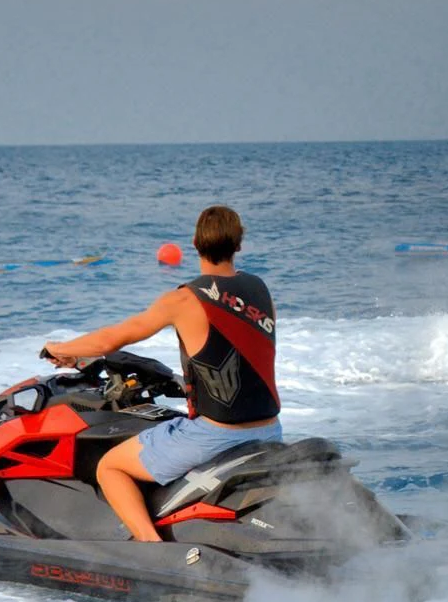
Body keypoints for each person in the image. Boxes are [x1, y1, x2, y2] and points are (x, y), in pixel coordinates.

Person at [40, 206, 280, 542]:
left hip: (216, 435)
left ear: (195, 244)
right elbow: (238, 353)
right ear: (238, 245)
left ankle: (150, 549)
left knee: (110, 467)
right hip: (270, 430)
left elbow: (112, 338)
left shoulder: (183, 300)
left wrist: (62, 348)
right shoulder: (261, 290)